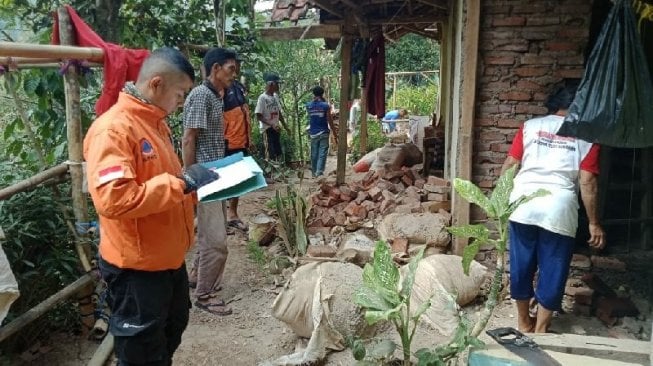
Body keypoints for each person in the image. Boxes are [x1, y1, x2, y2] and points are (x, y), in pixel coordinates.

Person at [84, 47, 220, 365]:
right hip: (137, 267)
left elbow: (159, 182)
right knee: (142, 348)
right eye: (180, 93)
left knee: (172, 329)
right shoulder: (114, 130)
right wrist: (182, 183)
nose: (182, 102)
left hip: (167, 259)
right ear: (156, 84)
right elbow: (114, 198)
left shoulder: (154, 122)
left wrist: (192, 188)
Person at [501, 83, 606, 333]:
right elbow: (587, 181)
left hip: (522, 203)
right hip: (559, 208)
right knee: (553, 267)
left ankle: (523, 321)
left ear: (554, 104)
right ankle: (541, 329)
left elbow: (510, 164)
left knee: (521, 264)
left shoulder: (531, 126)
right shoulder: (587, 136)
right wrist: (593, 222)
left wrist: (500, 201)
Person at [182, 47, 237, 316]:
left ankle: (196, 276)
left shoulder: (215, 97)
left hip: (216, 174)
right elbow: (189, 138)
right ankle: (204, 294)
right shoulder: (201, 96)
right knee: (217, 241)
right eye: (230, 69)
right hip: (205, 177)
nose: (233, 75)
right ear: (215, 68)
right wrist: (191, 177)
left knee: (208, 233)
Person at [223, 55, 250, 232]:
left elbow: (244, 114)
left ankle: (233, 214)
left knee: (239, 180)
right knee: (224, 180)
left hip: (241, 141)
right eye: (233, 64)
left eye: (237, 64)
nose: (237, 67)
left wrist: (249, 140)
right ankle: (221, 219)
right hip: (228, 141)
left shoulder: (239, 87)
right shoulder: (220, 89)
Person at [256, 72, 287, 161]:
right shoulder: (262, 98)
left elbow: (278, 112)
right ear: (271, 84)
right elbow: (259, 116)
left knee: (278, 152)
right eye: (277, 84)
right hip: (267, 130)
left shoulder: (275, 96)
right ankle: (271, 173)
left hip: (276, 129)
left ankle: (279, 172)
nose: (278, 86)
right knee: (270, 153)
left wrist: (285, 126)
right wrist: (271, 124)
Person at [306, 85, 336, 177]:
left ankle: (314, 173)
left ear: (313, 94)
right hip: (323, 132)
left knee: (314, 153)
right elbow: (329, 120)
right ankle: (319, 172)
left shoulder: (309, 105)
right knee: (322, 152)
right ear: (322, 94)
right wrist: (334, 132)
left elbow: (311, 117)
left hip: (313, 132)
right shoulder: (325, 106)